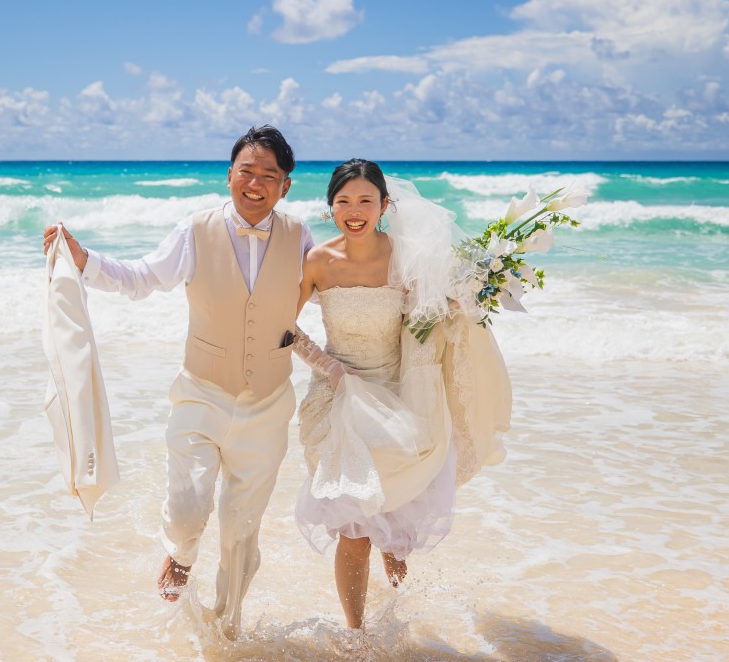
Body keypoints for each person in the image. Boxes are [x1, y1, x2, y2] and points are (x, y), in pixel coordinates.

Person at [41, 125, 340, 637]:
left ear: (286, 187)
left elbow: (336, 292)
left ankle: (227, 628)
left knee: (241, 530)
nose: (256, 182)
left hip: (268, 403)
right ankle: (179, 554)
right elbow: (140, 277)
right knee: (187, 510)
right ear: (229, 176)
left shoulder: (300, 238)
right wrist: (83, 259)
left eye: (270, 175)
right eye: (247, 171)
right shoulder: (195, 231)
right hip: (201, 392)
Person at [289, 158, 512, 629]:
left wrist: (460, 302)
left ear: (385, 205)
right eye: (344, 201)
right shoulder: (317, 260)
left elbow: (426, 324)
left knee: (393, 512)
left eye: (366, 200)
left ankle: (395, 568)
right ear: (330, 207)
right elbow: (283, 324)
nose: (354, 210)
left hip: (398, 388)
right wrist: (328, 367)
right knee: (355, 526)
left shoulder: (406, 259)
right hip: (337, 393)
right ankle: (357, 634)